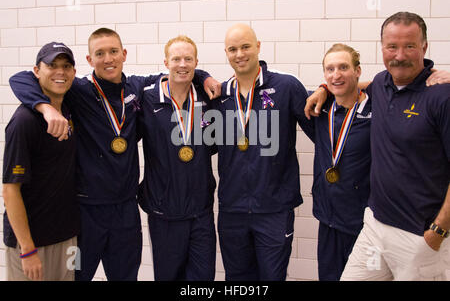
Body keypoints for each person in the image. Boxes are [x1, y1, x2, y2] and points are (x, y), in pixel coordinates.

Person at [8, 28, 219, 281]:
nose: (108, 58)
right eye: (100, 53)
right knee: (77, 275)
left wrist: (204, 76)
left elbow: (180, 73)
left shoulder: (138, 85)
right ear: (89, 60)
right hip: (85, 214)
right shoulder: (78, 89)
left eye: (113, 52)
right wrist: (45, 109)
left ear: (124, 54)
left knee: (125, 277)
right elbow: (21, 79)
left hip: (126, 213)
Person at [306, 11, 450, 281]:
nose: (400, 55)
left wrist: (438, 231)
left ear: (424, 47)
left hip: (420, 236)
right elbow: (350, 85)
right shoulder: (382, 84)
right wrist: (324, 88)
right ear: (382, 48)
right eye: (392, 46)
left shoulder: (441, 96)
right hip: (374, 225)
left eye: (409, 46)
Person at [212, 23, 314, 280]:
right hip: (232, 209)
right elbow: (201, 146)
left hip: (274, 210)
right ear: (226, 53)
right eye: (232, 49)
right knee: (237, 280)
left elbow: (322, 133)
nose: (239, 54)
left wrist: (326, 88)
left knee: (272, 278)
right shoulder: (220, 96)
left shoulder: (286, 87)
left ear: (258, 47)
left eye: (245, 46)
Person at [137, 35, 217, 280]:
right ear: (165, 62)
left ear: (196, 62)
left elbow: (212, 146)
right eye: (176, 59)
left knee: (202, 281)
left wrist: (204, 76)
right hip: (164, 213)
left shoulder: (208, 97)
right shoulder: (146, 98)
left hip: (201, 212)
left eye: (188, 59)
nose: (182, 64)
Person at [3, 42, 80, 281]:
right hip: (32, 244)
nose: (60, 72)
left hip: (67, 238)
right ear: (36, 71)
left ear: (74, 73)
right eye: (52, 66)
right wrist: (27, 250)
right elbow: (10, 190)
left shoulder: (69, 108)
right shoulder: (24, 121)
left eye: (66, 66)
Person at [310, 43, 371, 280]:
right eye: (330, 69)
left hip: (364, 226)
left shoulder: (379, 109)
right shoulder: (319, 108)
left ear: (357, 71)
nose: (336, 74)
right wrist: (322, 89)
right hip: (328, 221)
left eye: (344, 67)